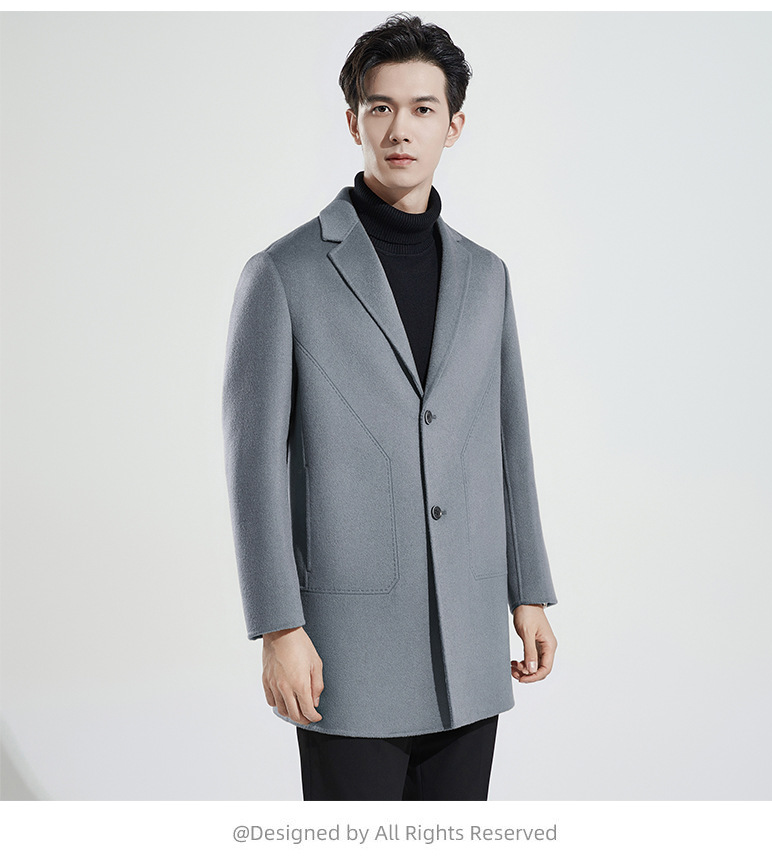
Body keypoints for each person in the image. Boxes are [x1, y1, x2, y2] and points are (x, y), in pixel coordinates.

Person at [222, 13, 558, 801]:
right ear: (354, 122)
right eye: (381, 107)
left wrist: (529, 591)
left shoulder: (487, 276)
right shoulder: (284, 272)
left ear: (454, 126)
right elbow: (252, 463)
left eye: (422, 109)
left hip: (469, 640)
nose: (400, 128)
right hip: (345, 651)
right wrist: (278, 625)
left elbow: (508, 441)